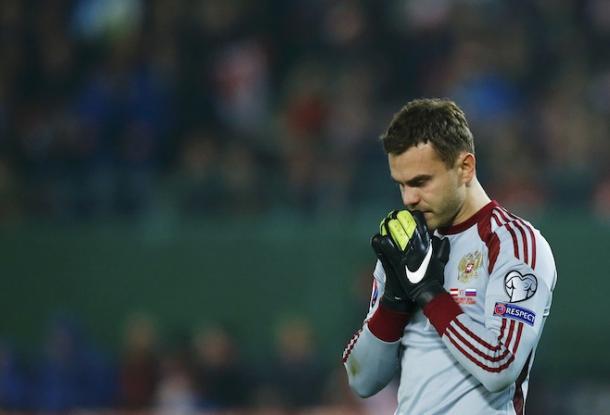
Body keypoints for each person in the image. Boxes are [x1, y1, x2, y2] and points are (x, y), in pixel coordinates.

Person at [342, 98, 557, 414]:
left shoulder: (515, 244)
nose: (409, 198)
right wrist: (394, 302)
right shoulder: (407, 245)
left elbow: (500, 367)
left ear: (465, 167)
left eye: (421, 182)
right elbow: (362, 379)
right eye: (401, 185)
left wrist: (429, 294)